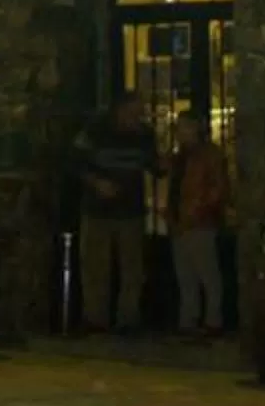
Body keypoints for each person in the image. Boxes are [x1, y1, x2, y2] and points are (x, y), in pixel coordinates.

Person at [71, 88, 158, 333]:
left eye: (139, 114)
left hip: (130, 210)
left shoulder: (144, 135)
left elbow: (153, 164)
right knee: (96, 266)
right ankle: (96, 317)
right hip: (98, 210)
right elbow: (74, 162)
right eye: (133, 113)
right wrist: (97, 183)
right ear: (120, 110)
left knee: (132, 267)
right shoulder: (95, 131)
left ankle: (127, 318)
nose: (137, 119)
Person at [168, 123, 231, 337]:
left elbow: (217, 189)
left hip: (199, 222)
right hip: (183, 221)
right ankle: (190, 319)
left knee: (206, 274)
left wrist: (197, 211)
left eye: (184, 128)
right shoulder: (182, 157)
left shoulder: (207, 156)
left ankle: (211, 320)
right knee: (187, 275)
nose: (180, 133)